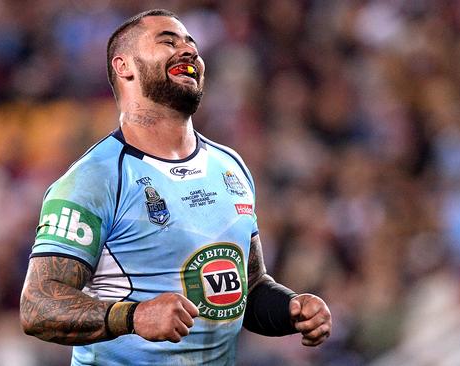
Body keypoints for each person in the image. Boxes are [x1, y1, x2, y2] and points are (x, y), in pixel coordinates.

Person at [20, 9, 332, 365]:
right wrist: (134, 316)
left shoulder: (230, 166)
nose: (188, 51)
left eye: (191, 44)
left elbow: (249, 287)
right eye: (168, 41)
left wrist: (291, 307)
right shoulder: (94, 179)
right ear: (125, 67)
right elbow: (38, 305)